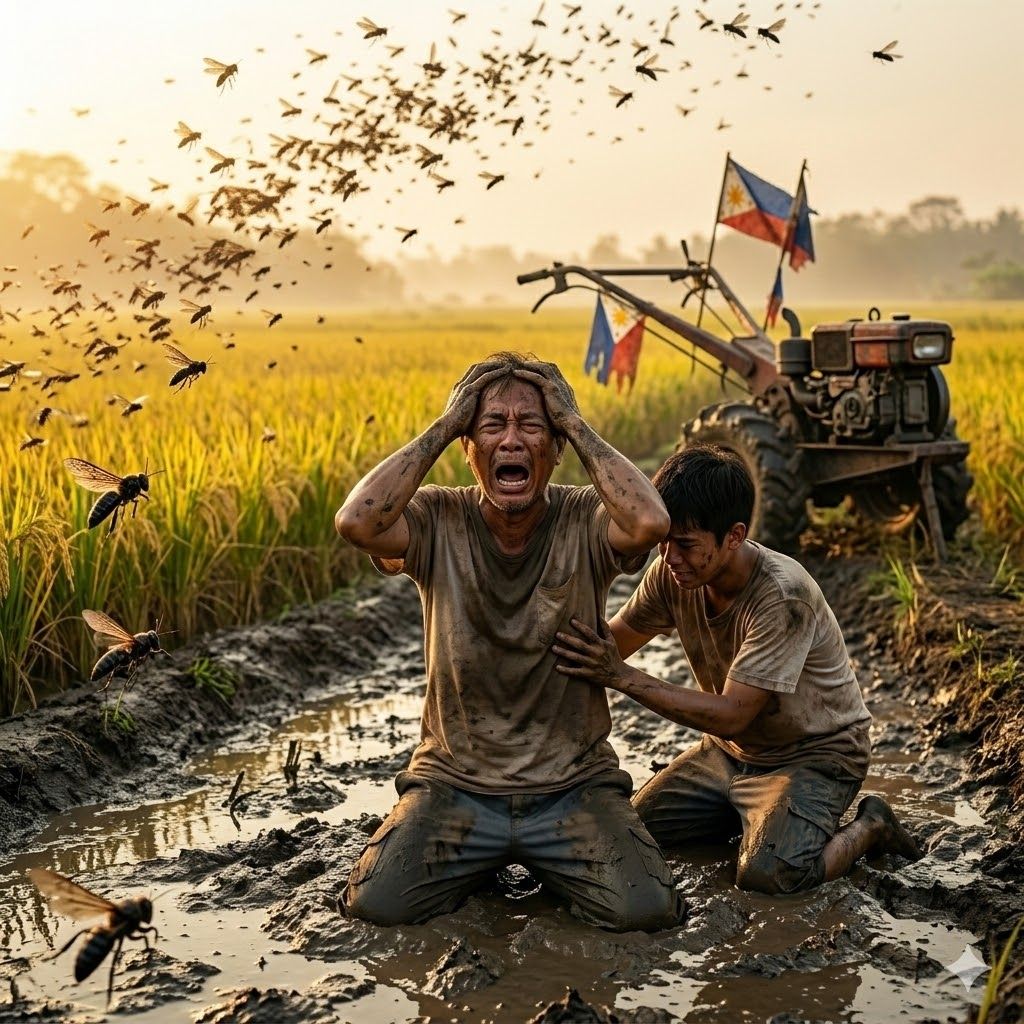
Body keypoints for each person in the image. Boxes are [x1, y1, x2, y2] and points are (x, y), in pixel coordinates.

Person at [333, 353, 684, 931]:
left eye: (533, 427)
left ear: (555, 448)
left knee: (646, 911)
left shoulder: (584, 519)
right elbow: (358, 522)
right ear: (470, 450)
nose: (512, 441)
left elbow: (650, 523)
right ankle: (489, 859)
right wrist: (446, 424)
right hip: (455, 786)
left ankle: (542, 859)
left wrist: (574, 420)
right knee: (377, 907)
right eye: (493, 426)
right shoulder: (437, 518)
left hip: (573, 785)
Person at [552, 443, 924, 896]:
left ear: (734, 535)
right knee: (632, 837)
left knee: (771, 874)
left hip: (812, 756)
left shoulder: (782, 597)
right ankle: (748, 815)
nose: (670, 558)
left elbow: (731, 712)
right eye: (665, 542)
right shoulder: (672, 574)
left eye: (687, 545)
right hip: (728, 753)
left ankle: (871, 827)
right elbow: (613, 643)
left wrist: (621, 677)